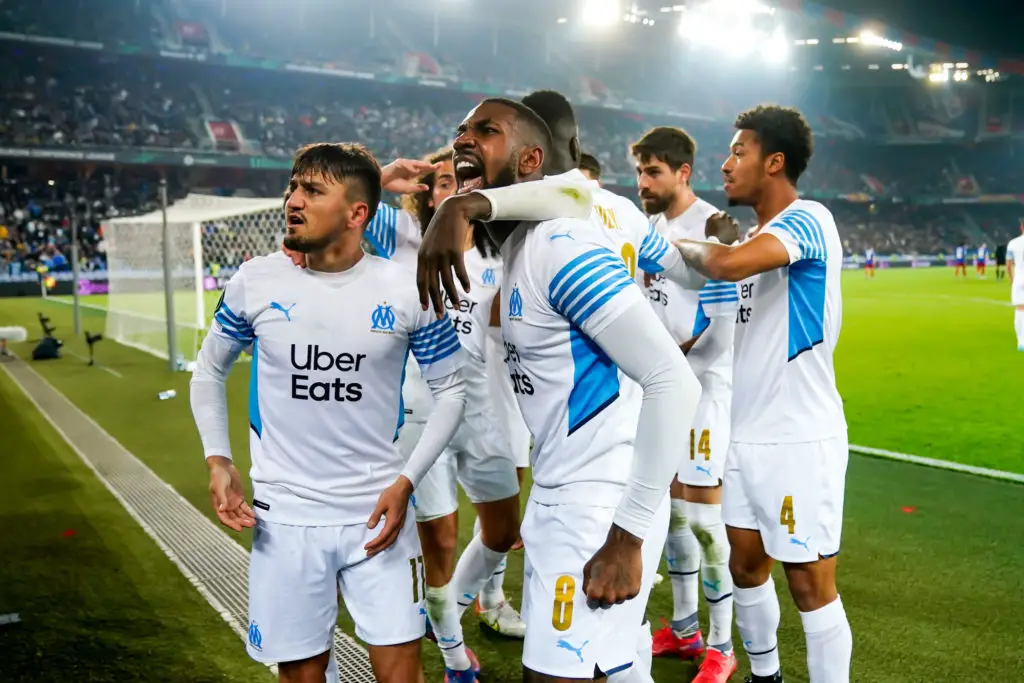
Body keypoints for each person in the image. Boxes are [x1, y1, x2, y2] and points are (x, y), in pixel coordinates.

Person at [190, 143, 469, 683]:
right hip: (284, 519)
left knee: (401, 674)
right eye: (293, 187)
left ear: (357, 213)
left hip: (379, 517)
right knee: (302, 674)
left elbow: (453, 390)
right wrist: (218, 460)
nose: (293, 200)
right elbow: (208, 371)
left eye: (312, 191)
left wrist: (407, 482)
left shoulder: (408, 287)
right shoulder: (257, 280)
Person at [451, 96, 702, 682]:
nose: (463, 139)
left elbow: (673, 381)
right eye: (461, 130)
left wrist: (627, 536)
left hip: (596, 507)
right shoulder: (524, 244)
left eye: (485, 131)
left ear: (531, 160)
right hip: (564, 488)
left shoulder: (561, 247)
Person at [671, 105, 852, 683]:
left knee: (809, 584)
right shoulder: (753, 240)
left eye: (738, 152)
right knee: (746, 568)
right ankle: (765, 675)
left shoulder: (809, 219)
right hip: (743, 433)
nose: (725, 165)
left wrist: (666, 243)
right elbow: (712, 322)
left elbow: (724, 264)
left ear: (774, 162)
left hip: (798, 437)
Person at [631, 126, 738, 683]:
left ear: (683, 173)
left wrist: (667, 364)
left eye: (653, 172)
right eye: (639, 172)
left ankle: (723, 645)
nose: (643, 182)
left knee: (703, 520)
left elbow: (723, 333)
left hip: (703, 392)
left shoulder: (715, 229)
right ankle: (685, 628)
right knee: (670, 513)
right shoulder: (648, 230)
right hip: (660, 391)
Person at [1006, 221, 1024, 351]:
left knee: (1020, 309)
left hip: (1019, 279)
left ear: (1022, 227)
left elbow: (1008, 266)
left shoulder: (1013, 243)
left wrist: (1013, 280)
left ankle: (1021, 341)